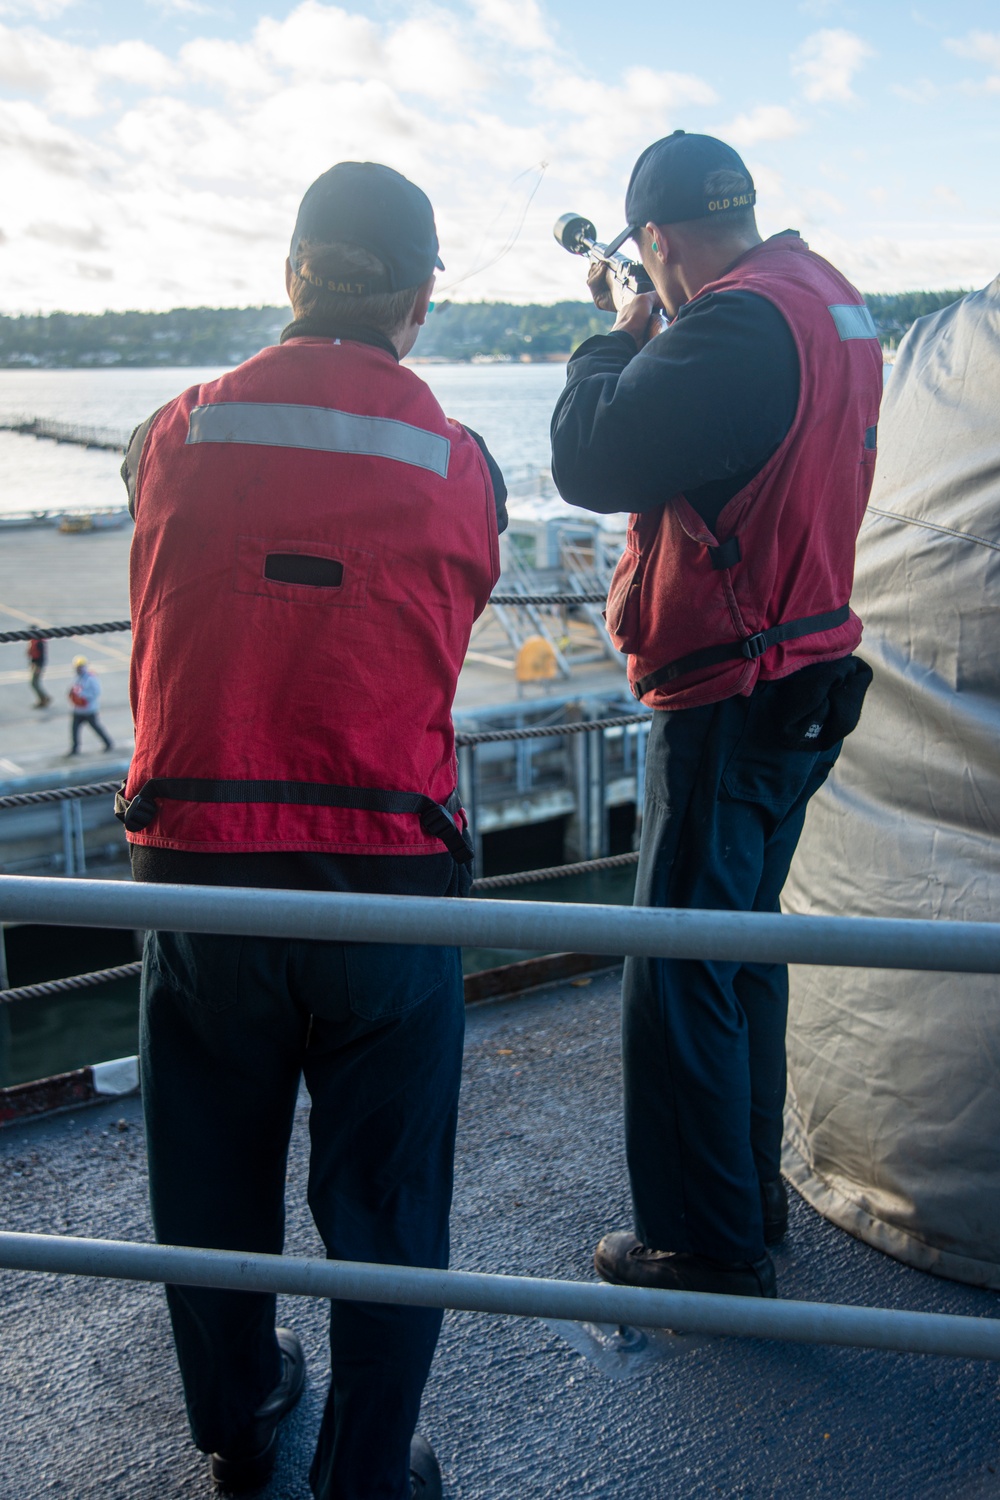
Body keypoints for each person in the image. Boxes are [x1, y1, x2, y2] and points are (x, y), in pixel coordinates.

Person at [119, 162, 505, 1498]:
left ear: (290, 276)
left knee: (210, 1168)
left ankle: (234, 1415)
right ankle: (363, 1478)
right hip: (381, 881)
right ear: (418, 303)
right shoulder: (465, 465)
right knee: (388, 1206)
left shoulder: (171, 434)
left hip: (200, 874)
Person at [550, 131, 881, 1300]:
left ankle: (704, 1247)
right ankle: (746, 1207)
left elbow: (590, 457)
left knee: (681, 963)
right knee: (740, 951)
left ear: (657, 242)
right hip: (801, 672)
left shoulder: (734, 322)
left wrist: (612, 338)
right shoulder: (824, 296)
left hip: (731, 693)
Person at [67, 655, 113, 754]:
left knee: (96, 727)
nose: (78, 669)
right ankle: (75, 748)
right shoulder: (77, 678)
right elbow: (74, 689)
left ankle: (108, 743)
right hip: (78, 710)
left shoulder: (91, 678)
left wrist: (82, 695)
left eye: (80, 667)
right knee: (74, 730)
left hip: (89, 710)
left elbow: (96, 692)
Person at [27, 633, 51, 707]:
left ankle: (44, 698)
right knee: (35, 683)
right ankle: (44, 698)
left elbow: (41, 657)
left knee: (34, 683)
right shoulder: (34, 641)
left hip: (38, 666)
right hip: (36, 665)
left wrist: (38, 667)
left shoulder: (39, 643)